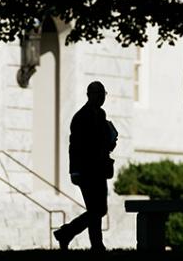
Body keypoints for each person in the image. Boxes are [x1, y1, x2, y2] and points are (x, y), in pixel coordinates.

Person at [53, 81, 117, 251]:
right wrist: (74, 171)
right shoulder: (80, 117)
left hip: (100, 168)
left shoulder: (102, 115)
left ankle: (73, 236)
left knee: (98, 209)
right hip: (86, 170)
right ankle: (90, 242)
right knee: (96, 209)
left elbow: (104, 143)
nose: (101, 97)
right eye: (98, 94)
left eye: (103, 93)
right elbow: (74, 146)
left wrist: (111, 140)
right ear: (89, 95)